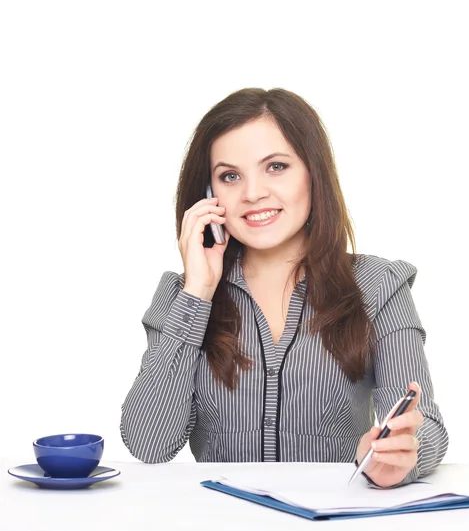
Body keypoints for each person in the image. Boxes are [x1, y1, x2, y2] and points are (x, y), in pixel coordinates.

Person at [120, 88, 449, 488]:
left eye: (276, 167)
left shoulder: (379, 286)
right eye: (230, 176)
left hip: (332, 516)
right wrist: (198, 293)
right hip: (220, 520)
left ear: (313, 172)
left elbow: (426, 426)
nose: (253, 193)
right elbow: (148, 442)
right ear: (209, 196)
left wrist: (401, 454)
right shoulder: (181, 296)